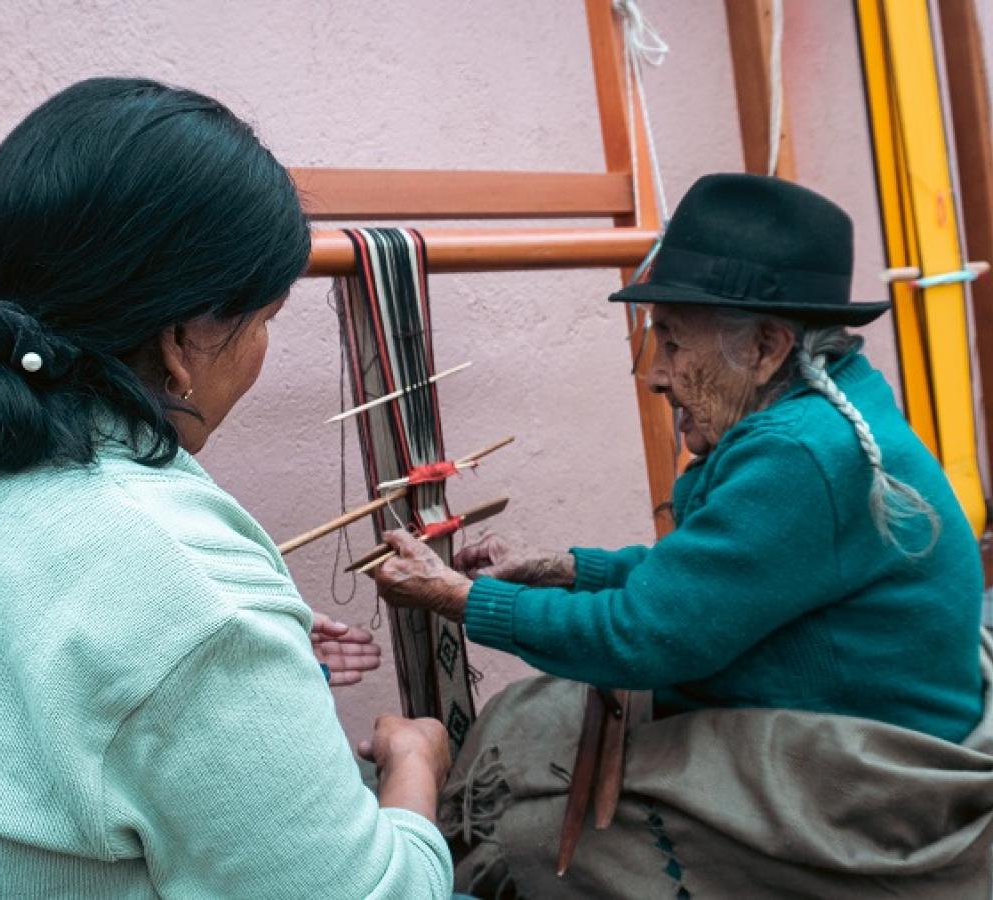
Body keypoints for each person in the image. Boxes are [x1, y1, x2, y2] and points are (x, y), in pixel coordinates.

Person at [0, 77, 453, 898]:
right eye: (266, 320)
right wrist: (414, 770)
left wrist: (221, 677)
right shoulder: (181, 593)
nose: (261, 347)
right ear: (182, 341)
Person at [372, 174, 993, 898]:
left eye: (671, 340)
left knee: (525, 844)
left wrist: (456, 599)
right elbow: (727, 580)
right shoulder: (831, 402)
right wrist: (570, 569)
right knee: (531, 718)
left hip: (863, 769)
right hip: (874, 702)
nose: (657, 375)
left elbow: (647, 637)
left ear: (765, 346)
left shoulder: (800, 452)